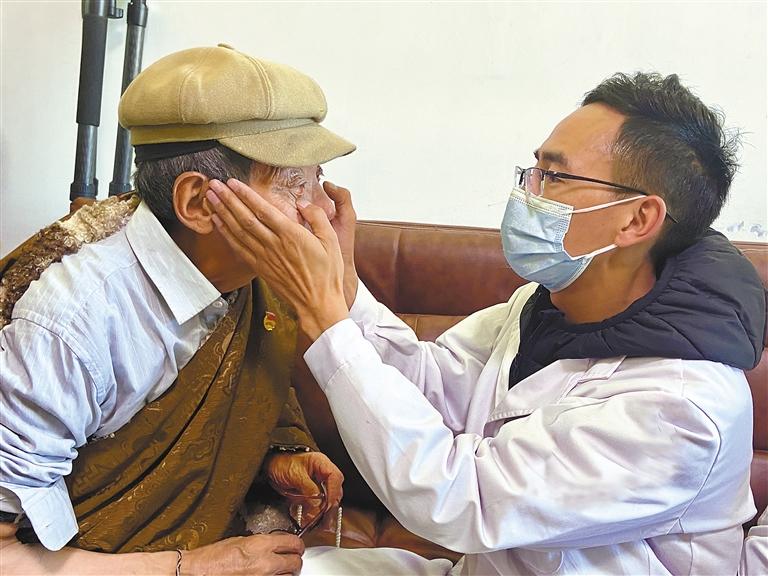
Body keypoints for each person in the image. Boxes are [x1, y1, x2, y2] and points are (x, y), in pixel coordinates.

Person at [206, 72, 767, 574]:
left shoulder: (682, 409)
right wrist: (346, 290)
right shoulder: (546, 308)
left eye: (554, 177)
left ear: (637, 218)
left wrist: (324, 316)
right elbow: (429, 383)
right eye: (533, 170)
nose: (527, 194)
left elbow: (459, 498)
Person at [0, 44, 354, 575]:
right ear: (196, 203)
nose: (323, 211)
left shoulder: (255, 278)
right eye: (293, 186)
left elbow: (243, 398)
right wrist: (193, 567)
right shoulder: (71, 320)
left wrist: (279, 456)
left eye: (318, 180)